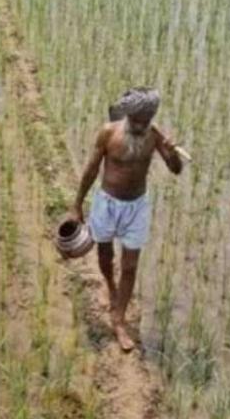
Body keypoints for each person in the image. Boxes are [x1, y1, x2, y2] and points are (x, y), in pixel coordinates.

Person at [69, 87, 184, 351]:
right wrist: (76, 205)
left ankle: (119, 319)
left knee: (130, 266)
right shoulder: (109, 132)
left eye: (146, 121)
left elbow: (175, 170)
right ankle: (110, 285)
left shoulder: (155, 136)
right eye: (137, 121)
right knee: (105, 255)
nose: (142, 126)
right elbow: (90, 169)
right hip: (107, 203)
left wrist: (172, 152)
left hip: (136, 207)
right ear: (129, 116)